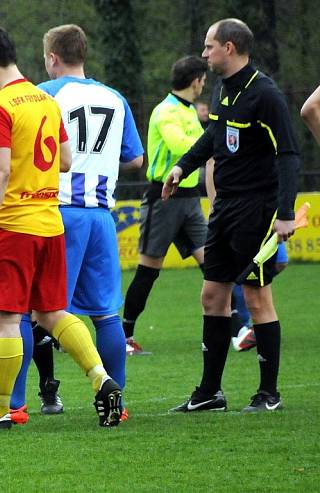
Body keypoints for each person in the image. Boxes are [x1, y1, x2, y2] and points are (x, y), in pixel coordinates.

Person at [0, 25, 122, 431]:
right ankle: (102, 379)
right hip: (50, 222)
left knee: (5, 319)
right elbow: (65, 161)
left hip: (13, 226)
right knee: (51, 311)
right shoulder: (46, 100)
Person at [165, 19, 301, 413]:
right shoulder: (226, 88)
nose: (204, 54)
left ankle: (268, 393)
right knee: (212, 295)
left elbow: (289, 155)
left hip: (257, 210)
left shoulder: (266, 94)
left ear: (229, 47)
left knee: (257, 298)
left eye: (209, 47)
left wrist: (285, 213)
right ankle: (210, 392)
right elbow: (214, 135)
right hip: (224, 206)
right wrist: (183, 166)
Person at [36, 24, 144, 418]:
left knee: (36, 310)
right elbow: (135, 158)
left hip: (57, 210)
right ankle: (119, 400)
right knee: (105, 313)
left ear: (52, 58)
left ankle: (15, 405)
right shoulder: (115, 98)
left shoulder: (46, 94)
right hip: (100, 214)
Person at [121, 56, 209, 356]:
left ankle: (235, 329)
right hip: (163, 199)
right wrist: (210, 135)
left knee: (213, 265)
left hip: (190, 200)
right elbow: (182, 147)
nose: (204, 85)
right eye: (203, 79)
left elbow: (197, 145)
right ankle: (125, 334)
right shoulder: (166, 110)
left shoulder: (188, 112)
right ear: (196, 79)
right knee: (149, 271)